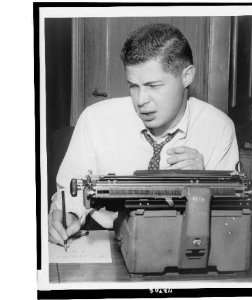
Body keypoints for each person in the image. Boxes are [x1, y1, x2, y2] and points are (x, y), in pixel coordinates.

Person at [48, 23, 239, 247]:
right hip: (104, 235)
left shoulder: (219, 129)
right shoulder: (95, 119)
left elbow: (231, 222)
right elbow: (68, 193)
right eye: (133, 86)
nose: (141, 101)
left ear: (187, 76)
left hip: (184, 239)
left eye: (153, 85)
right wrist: (67, 216)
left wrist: (205, 183)